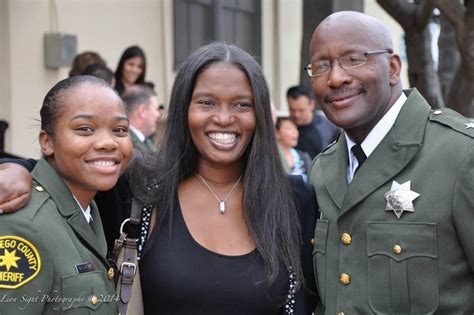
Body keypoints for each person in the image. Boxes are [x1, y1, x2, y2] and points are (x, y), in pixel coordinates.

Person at [0, 43, 318, 314]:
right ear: (183, 108)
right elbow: (75, 171)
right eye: (206, 102)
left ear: (260, 113)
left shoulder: (294, 200)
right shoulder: (140, 187)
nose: (223, 117)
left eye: (241, 104)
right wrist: (21, 169)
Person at [307, 11, 474, 314]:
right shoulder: (323, 170)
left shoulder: (460, 155)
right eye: (321, 66)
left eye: (354, 59)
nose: (336, 77)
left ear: (393, 68)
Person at [0, 75, 132, 313]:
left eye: (120, 129)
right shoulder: (25, 225)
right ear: (47, 142)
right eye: (85, 129)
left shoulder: (87, 207)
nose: (108, 142)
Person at [287, 85, 339, 159]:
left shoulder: (329, 125)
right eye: (292, 110)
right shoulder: (284, 129)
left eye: (301, 110)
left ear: (311, 104)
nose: (296, 115)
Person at [121, 84, 161, 152]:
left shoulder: (147, 141)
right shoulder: (125, 144)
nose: (158, 114)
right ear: (142, 111)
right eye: (156, 109)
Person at [275, 116, 311, 182]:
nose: (294, 132)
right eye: (289, 129)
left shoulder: (304, 157)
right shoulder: (272, 157)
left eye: (295, 128)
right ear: (276, 133)